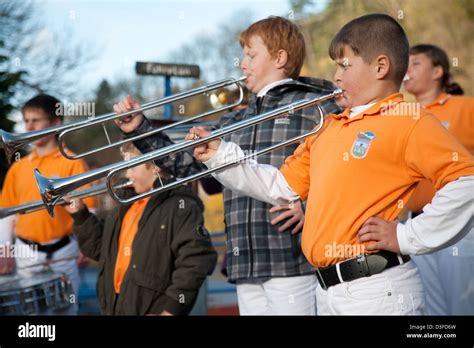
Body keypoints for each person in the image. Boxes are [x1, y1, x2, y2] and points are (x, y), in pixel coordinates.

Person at [186, 13, 474, 315]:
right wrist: (220, 154)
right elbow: (280, 186)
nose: (336, 76)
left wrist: (406, 235)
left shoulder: (409, 119)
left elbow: (467, 182)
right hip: (328, 293)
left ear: (380, 67)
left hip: (377, 292)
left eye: (344, 65)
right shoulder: (329, 127)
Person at [114, 16, 341, 315]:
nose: (242, 64)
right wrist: (140, 128)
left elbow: (343, 172)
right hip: (245, 263)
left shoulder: (317, 106)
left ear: (280, 58)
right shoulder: (233, 119)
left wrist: (310, 206)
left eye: (251, 55)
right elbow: (182, 165)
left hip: (293, 259)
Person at [63, 142, 217, 315]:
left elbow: (196, 260)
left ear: (155, 168)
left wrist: (171, 310)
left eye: (131, 167)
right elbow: (101, 250)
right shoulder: (125, 204)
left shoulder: (180, 205)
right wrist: (81, 215)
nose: (127, 174)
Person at [0, 94, 97, 315]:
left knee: (66, 310)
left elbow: (89, 207)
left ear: (55, 123)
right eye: (26, 121)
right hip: (27, 254)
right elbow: (7, 213)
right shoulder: (18, 168)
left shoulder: (72, 162)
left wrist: (86, 243)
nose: (28, 126)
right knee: (30, 315)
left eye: (36, 120)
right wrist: (4, 250)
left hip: (64, 252)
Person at [404, 44, 474, 315]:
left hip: (461, 222)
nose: (407, 70)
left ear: (437, 71)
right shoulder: (402, 115)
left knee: (463, 305)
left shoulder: (465, 108)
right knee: (431, 309)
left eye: (415, 64)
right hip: (416, 224)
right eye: (406, 64)